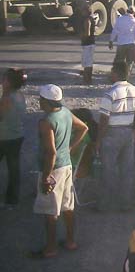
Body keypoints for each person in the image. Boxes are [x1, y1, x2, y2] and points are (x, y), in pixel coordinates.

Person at [30, 84, 89, 258]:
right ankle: (71, 241)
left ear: (46, 102)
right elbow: (84, 128)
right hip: (67, 166)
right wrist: (70, 147)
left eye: (40, 99)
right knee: (67, 206)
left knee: (50, 211)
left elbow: (51, 152)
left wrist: (46, 177)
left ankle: (50, 249)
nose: (39, 102)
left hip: (53, 169)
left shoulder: (46, 122)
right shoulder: (65, 112)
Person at [96, 61, 135, 212]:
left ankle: (105, 204)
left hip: (111, 134)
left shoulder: (110, 94)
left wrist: (97, 141)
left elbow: (103, 121)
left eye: (111, 71)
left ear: (116, 73)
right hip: (128, 133)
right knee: (127, 171)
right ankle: (125, 204)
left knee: (108, 170)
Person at [0, 68, 27, 207]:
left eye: (4, 79)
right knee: (14, 168)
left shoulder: (7, 98)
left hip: (5, 138)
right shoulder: (19, 95)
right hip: (17, 135)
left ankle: (9, 199)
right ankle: (12, 200)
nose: (1, 81)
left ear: (9, 82)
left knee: (12, 169)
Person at [78, 2, 98, 84]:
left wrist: (81, 36)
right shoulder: (91, 19)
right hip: (90, 43)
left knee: (87, 63)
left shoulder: (87, 20)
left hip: (88, 44)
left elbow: (87, 33)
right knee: (88, 62)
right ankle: (87, 79)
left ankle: (87, 79)